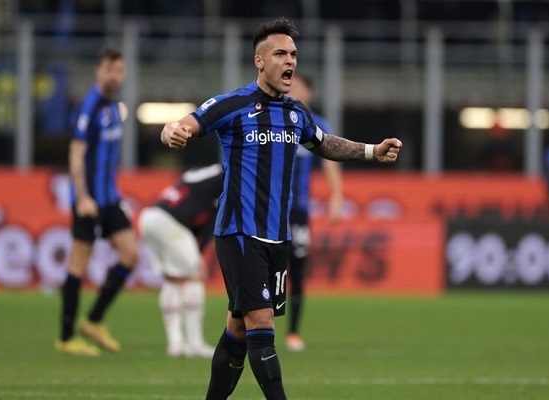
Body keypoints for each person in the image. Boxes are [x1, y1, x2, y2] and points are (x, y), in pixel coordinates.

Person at [160, 17, 402, 400]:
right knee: (261, 324)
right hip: (240, 232)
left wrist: (372, 151)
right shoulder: (233, 105)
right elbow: (185, 124)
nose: (290, 61)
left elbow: (324, 143)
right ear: (259, 61)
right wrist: (171, 131)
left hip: (277, 237)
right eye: (280, 54)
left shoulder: (296, 113)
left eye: (293, 54)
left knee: (239, 329)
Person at [56, 47, 139, 357]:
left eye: (119, 71)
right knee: (78, 264)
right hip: (89, 200)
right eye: (109, 70)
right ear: (98, 71)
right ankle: (66, 337)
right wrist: (82, 197)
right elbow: (76, 154)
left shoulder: (114, 107)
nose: (114, 76)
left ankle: (93, 320)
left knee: (130, 254)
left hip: (109, 198)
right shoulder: (89, 106)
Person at [138, 163, 223, 358]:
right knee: (194, 275)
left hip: (149, 217)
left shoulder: (199, 173)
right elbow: (213, 219)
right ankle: (195, 343)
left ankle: (175, 343)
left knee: (173, 279)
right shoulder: (227, 178)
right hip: (169, 221)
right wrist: (199, 253)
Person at [285, 73, 343, 352]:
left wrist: (336, 197)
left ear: (308, 93)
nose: (291, 90)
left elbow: (331, 162)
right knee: (265, 267)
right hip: (268, 207)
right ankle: (256, 327)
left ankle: (293, 332)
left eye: (297, 86)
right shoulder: (273, 118)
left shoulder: (316, 125)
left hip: (298, 209)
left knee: (297, 267)